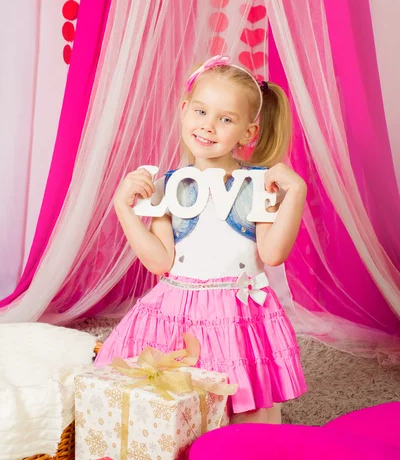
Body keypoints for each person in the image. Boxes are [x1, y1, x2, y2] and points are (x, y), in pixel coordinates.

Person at [95, 55, 308, 424]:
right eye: (200, 112)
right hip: (178, 311)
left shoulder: (258, 186)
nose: (208, 126)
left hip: (236, 315)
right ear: (183, 110)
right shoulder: (168, 187)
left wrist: (297, 192)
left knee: (246, 415)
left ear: (247, 133)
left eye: (225, 119)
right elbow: (160, 262)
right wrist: (123, 208)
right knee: (167, 408)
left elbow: (273, 254)